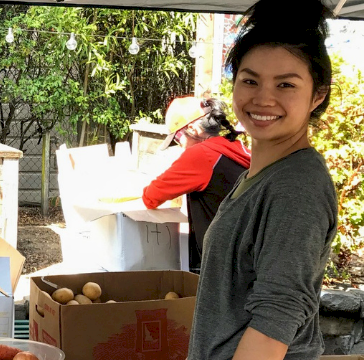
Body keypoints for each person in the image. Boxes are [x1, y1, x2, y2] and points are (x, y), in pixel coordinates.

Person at [188, 0, 338, 358]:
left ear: (317, 95)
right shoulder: (259, 175)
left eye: (285, 84)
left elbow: (275, 320)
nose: (263, 98)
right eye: (250, 80)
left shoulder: (296, 187)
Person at [142, 97, 251, 274]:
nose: (180, 146)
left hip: (221, 264)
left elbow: (151, 197)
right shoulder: (236, 148)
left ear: (192, 129)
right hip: (246, 258)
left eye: (177, 139)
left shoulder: (202, 155)